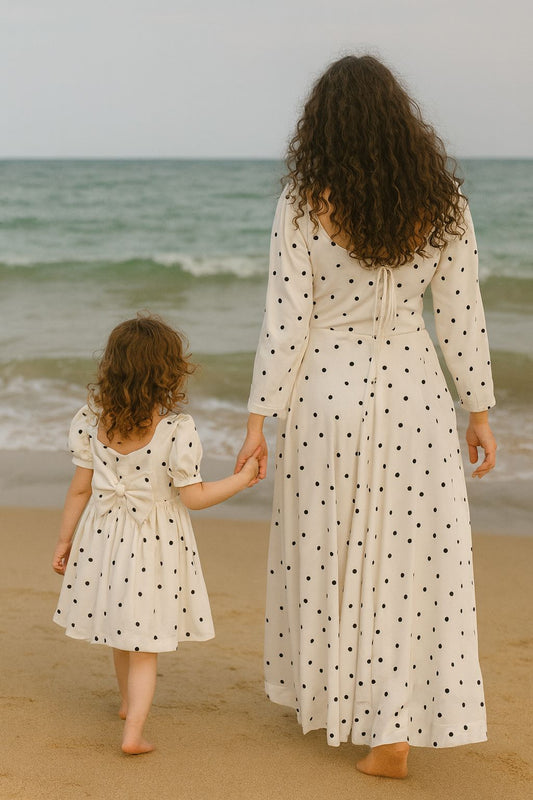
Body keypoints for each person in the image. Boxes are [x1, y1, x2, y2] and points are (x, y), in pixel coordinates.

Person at [235, 55, 496, 779]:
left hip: (326, 396)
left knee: (330, 551)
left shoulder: (302, 203)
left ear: (321, 126)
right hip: (416, 394)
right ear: (401, 122)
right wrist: (477, 408)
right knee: (409, 559)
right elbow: (460, 314)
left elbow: (286, 319)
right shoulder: (442, 203)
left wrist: (258, 419)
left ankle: (345, 706)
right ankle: (394, 730)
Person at [52, 313, 260, 755]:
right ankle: (133, 734)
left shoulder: (91, 420)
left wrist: (64, 541)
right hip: (153, 543)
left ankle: (127, 704)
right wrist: (241, 480)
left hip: (102, 538)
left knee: (118, 627)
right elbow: (195, 497)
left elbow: (79, 490)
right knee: (145, 642)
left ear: (111, 366)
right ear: (169, 372)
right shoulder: (176, 430)